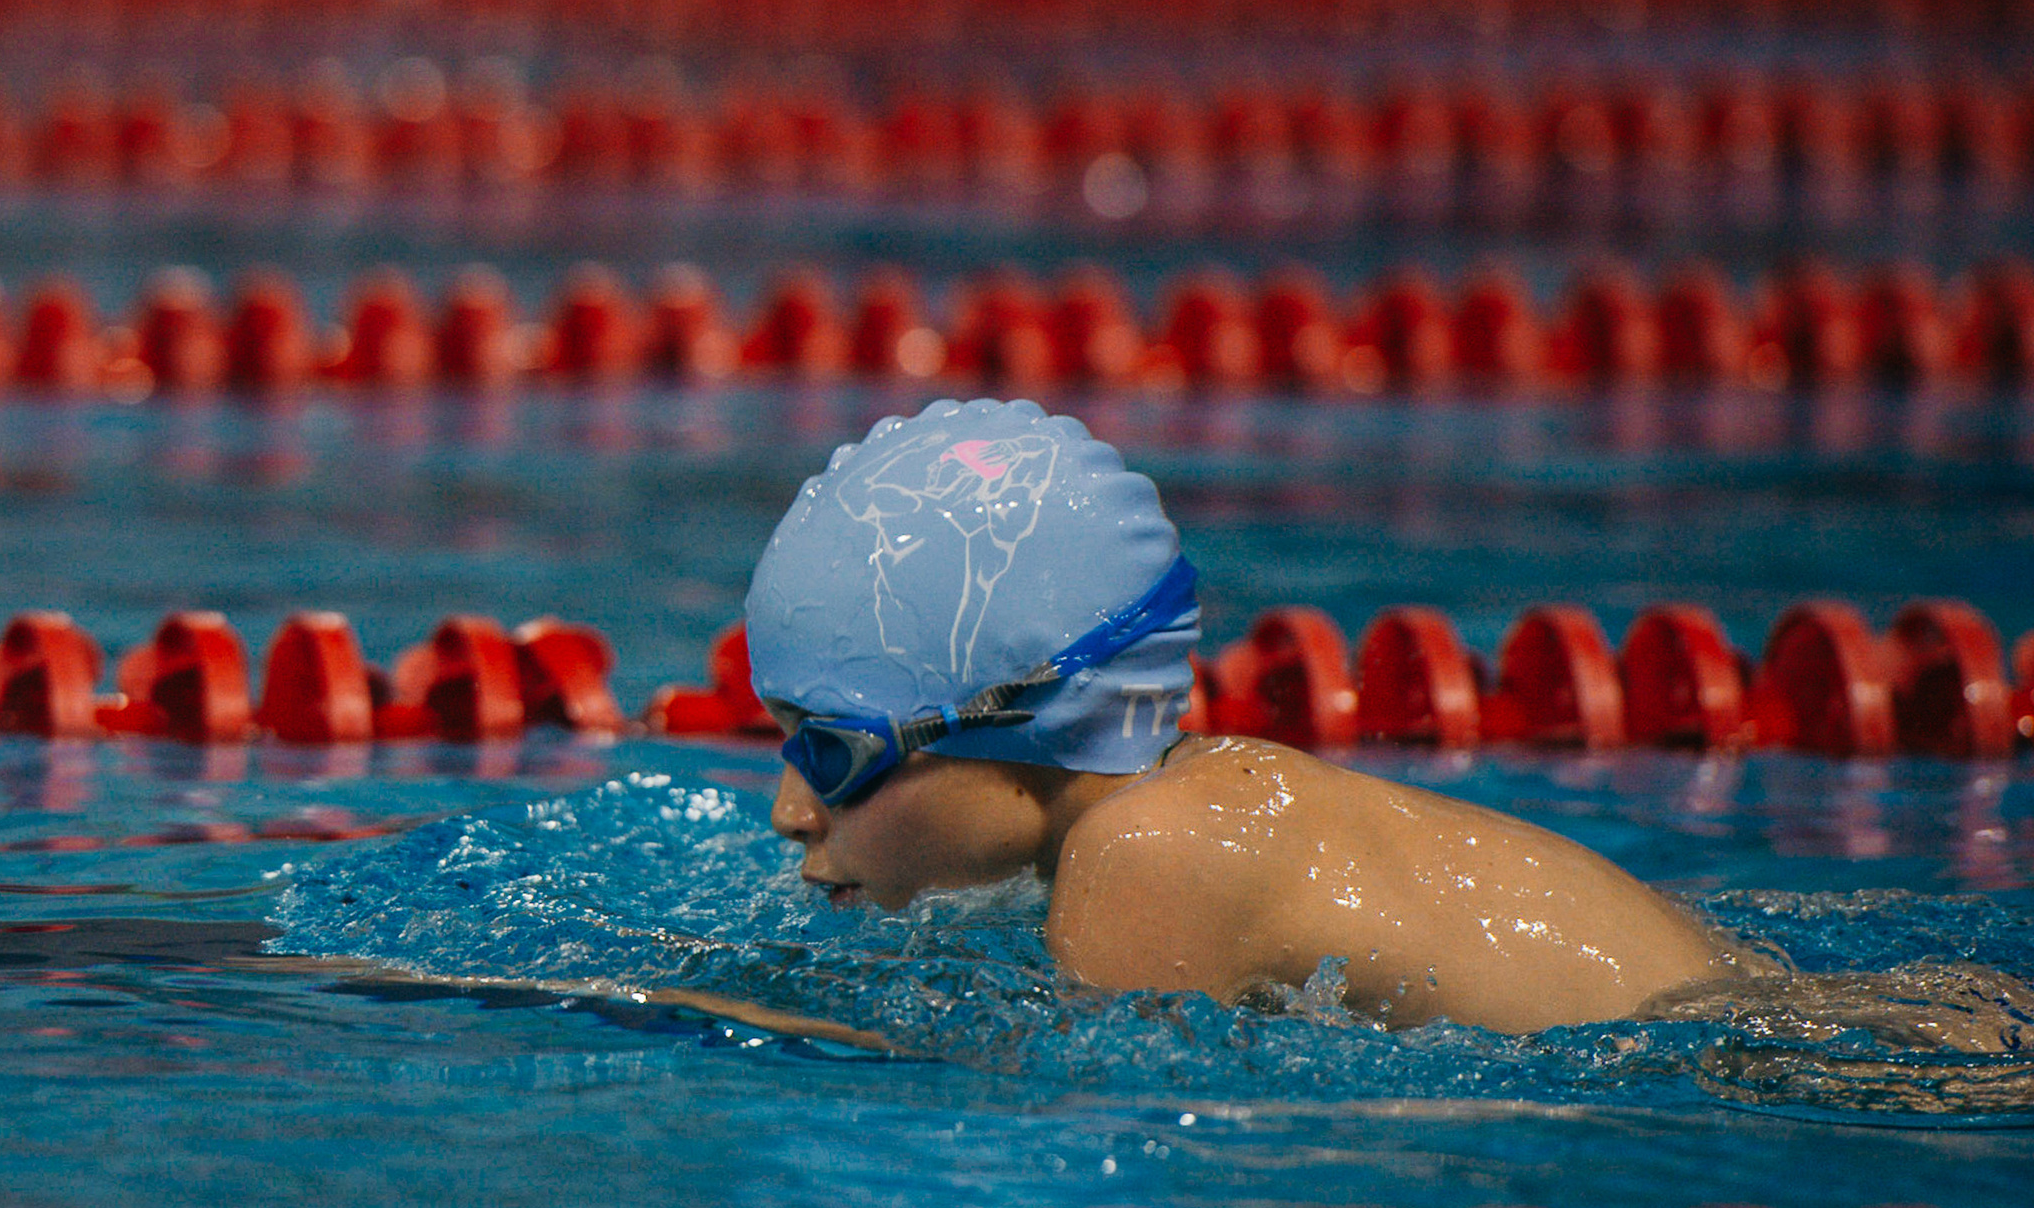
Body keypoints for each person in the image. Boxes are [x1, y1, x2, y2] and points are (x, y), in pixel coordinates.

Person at [744, 397, 1757, 1035]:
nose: (790, 808)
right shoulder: (1180, 801)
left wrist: (667, 1016)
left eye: (831, 751)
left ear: (1021, 725)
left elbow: (1043, 1097)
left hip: (1761, 1068)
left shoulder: (1152, 846)